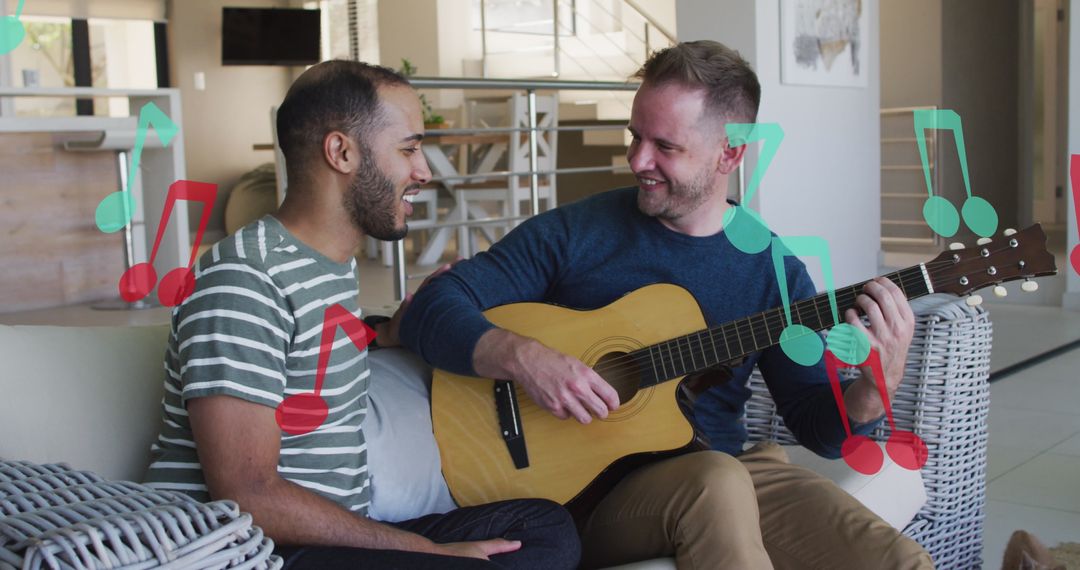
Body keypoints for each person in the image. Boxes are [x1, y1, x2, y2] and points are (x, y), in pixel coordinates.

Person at [401, 41, 935, 569]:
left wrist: (873, 388)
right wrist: (523, 357)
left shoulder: (773, 271)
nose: (637, 160)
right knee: (717, 482)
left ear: (730, 153)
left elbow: (818, 429)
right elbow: (433, 307)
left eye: (665, 146)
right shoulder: (577, 232)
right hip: (590, 493)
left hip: (723, 466)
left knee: (897, 561)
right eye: (635, 136)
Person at [143, 60, 580, 570]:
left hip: (329, 533)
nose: (424, 171)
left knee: (544, 528)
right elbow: (249, 495)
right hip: (247, 549)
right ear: (341, 152)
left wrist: (388, 332)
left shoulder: (326, 266)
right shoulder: (245, 279)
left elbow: (301, 356)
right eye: (408, 149)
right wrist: (430, 551)